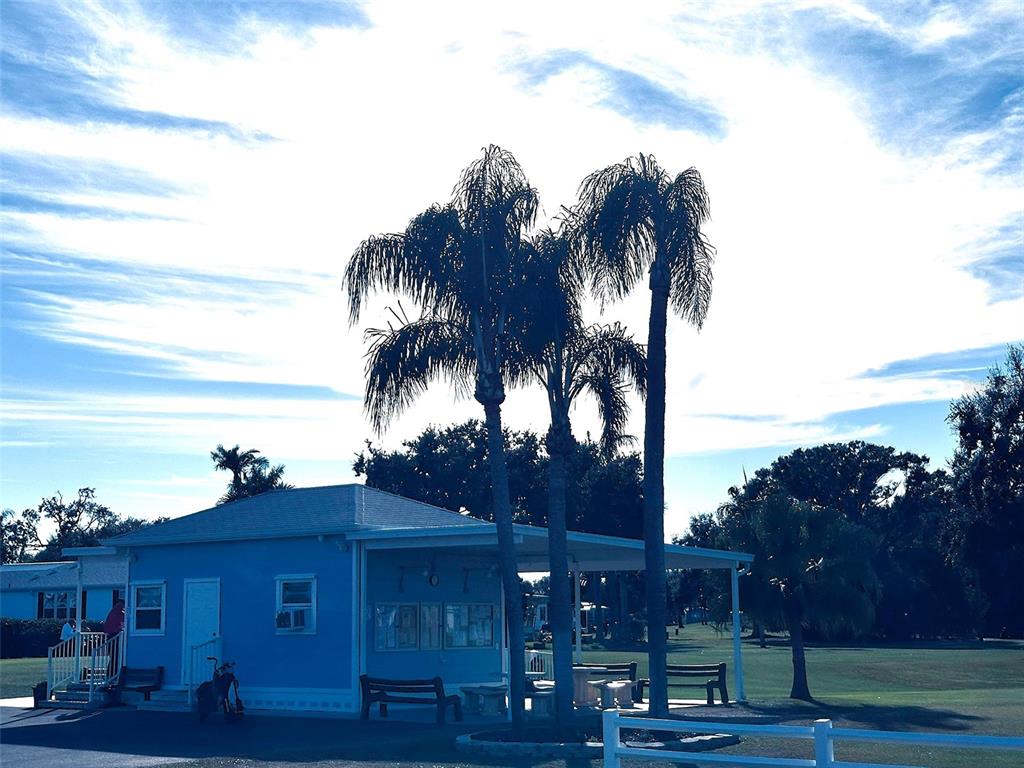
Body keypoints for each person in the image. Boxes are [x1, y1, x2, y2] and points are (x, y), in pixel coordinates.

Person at [103, 599, 125, 678]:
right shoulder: (119, 613)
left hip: (111, 636)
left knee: (114, 657)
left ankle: (110, 675)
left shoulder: (112, 612)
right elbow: (121, 624)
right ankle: (112, 675)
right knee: (116, 657)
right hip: (115, 636)